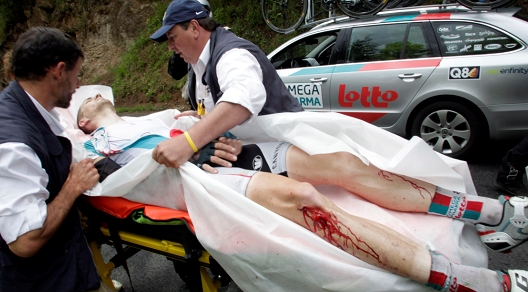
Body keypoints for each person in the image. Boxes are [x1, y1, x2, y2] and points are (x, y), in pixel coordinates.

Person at [76, 93, 528, 292]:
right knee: (305, 200)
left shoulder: (150, 119)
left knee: (345, 163)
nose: (91, 95)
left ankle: (491, 214)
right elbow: (113, 180)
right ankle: (473, 283)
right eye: (84, 101)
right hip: (198, 182)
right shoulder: (92, 146)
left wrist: (201, 134)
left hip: (223, 158)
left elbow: (205, 120)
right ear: (84, 123)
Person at [0, 27, 111, 291]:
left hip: (64, 265)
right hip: (40, 279)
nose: (79, 84)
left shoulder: (30, 111)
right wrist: (73, 186)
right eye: (77, 74)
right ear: (59, 71)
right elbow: (25, 240)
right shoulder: (14, 142)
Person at [149, 0, 303, 169]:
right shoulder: (198, 62)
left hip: (287, 155)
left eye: (172, 37)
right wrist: (203, 117)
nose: (170, 46)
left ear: (194, 28)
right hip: (256, 153)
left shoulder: (232, 54)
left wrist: (188, 142)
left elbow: (242, 98)